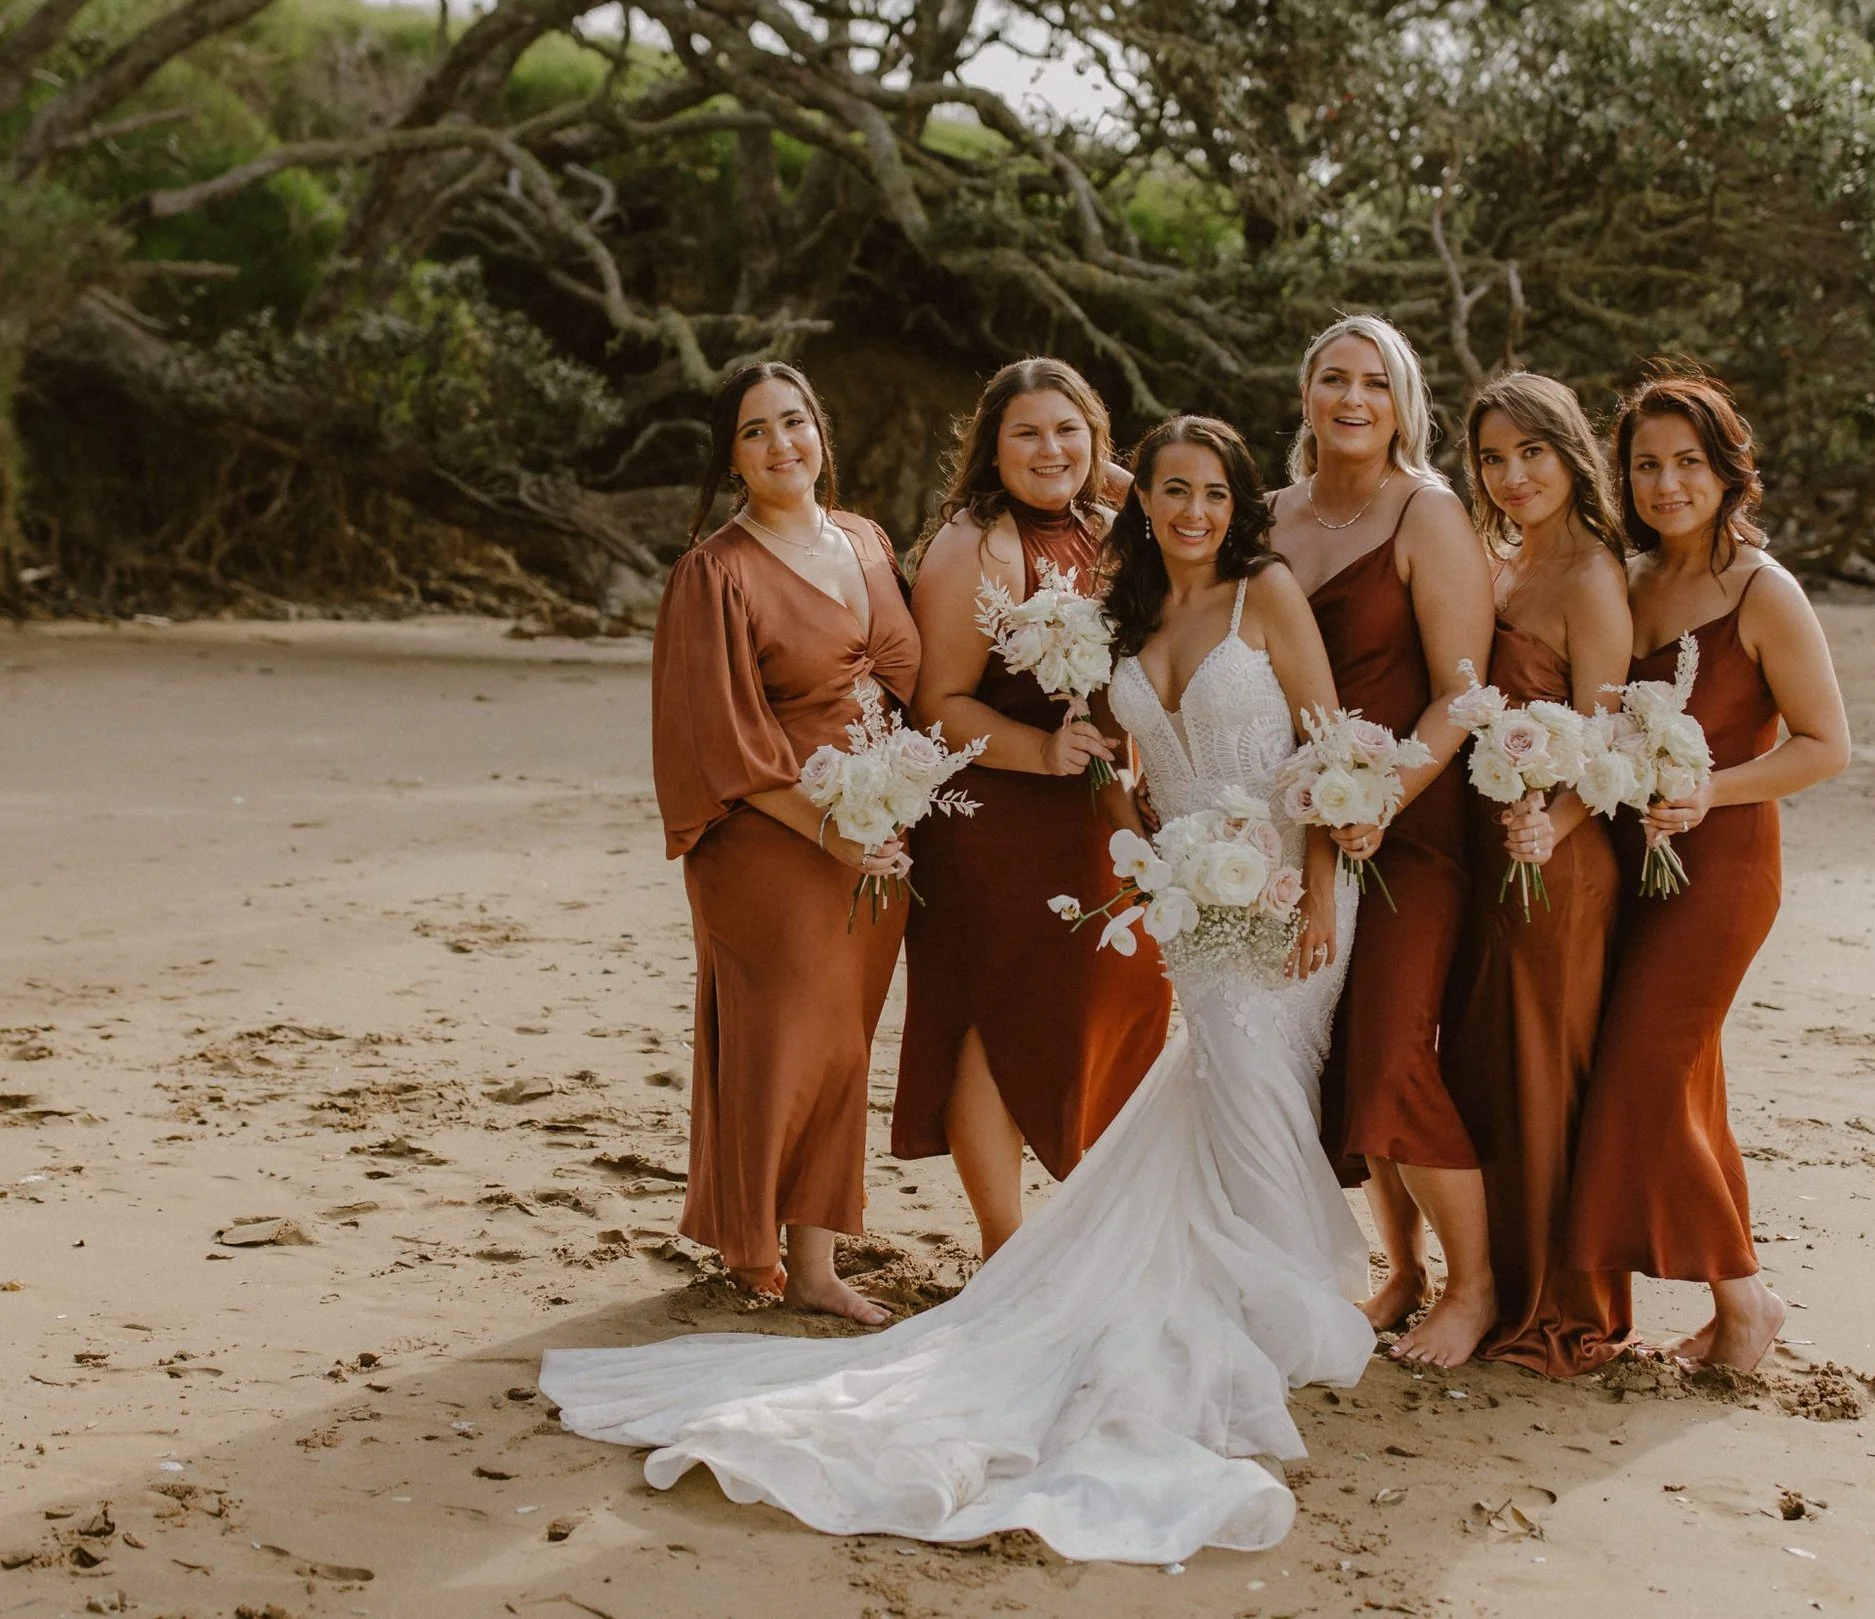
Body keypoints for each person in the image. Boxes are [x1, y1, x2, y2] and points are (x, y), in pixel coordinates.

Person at [540, 415, 1374, 1564]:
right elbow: (1105, 760)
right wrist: (1143, 850)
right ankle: (1272, 1302)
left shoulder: (1265, 592)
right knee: (1226, 1081)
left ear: (1240, 505)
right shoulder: (1120, 607)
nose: (1191, 511)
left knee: (1254, 1081)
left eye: (1214, 494)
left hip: (1288, 889)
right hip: (1189, 899)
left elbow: (1324, 751)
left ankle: (1275, 1294)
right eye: (1172, 492)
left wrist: (1320, 880)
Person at [1564, 368, 1851, 1373]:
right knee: (1686, 1084)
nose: (1665, 483)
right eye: (1645, 464)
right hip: (1631, 867)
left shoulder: (1763, 592)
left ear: (1727, 469)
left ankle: (1744, 1298)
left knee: (1643, 1073)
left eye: (1687, 462)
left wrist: (1707, 792)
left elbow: (1825, 745)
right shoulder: (1630, 581)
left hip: (1723, 865)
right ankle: (1741, 1299)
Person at [648, 361, 920, 1321]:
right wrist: (827, 830)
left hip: (877, 833)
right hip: (771, 839)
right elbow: (714, 739)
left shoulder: (868, 541)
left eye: (794, 422)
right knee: (784, 1043)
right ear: (730, 457)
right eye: (755, 431)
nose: (781, 446)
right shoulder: (712, 573)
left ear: (821, 430)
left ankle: (812, 1261)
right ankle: (764, 1249)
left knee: (843, 1045)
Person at [894, 358, 1171, 1255]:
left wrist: (1107, 473)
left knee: (1111, 995)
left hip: (1095, 809)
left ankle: (1091, 1219)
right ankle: (1004, 1245)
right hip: (993, 812)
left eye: (1068, 429)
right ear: (991, 447)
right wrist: (1044, 752)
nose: (1049, 449)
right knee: (994, 1017)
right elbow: (938, 702)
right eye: (1026, 433)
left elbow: (1191, 495)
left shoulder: (1112, 524)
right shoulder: (977, 540)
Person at [1269, 315, 1499, 1367]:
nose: (1352, 397)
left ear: (1403, 402)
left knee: (1394, 1045)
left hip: (1415, 828)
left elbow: (1461, 696)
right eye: (1333, 378)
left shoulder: (1428, 512)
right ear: (1306, 393)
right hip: (1296, 826)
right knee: (1334, 1059)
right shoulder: (1268, 517)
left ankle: (1474, 1285)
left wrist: (1382, 800)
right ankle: (1399, 1269)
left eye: (1375, 381)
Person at [1441, 372, 1636, 1377]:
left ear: (1570, 453)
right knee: (1490, 1066)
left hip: (1554, 862)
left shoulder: (1595, 578)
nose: (1512, 475)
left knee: (1545, 1071)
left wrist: (1547, 826)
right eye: (1491, 457)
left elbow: (1607, 744)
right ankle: (1493, 1285)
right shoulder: (1502, 564)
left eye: (1532, 453)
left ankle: (1560, 1306)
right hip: (1489, 852)